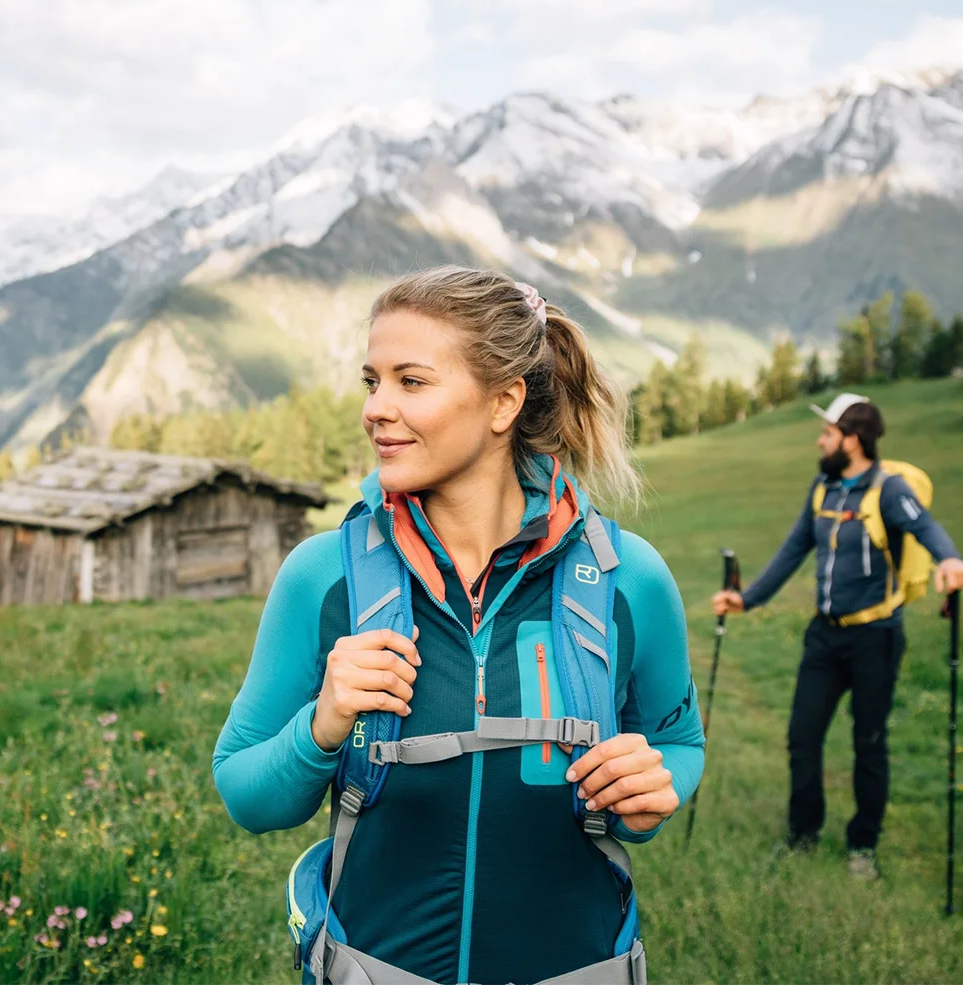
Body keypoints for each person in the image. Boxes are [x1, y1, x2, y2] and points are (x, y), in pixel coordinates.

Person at [212, 267, 703, 985]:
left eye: (410, 381)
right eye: (370, 381)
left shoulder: (629, 579)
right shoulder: (325, 576)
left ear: (503, 402)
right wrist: (322, 724)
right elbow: (244, 791)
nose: (376, 408)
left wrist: (651, 787)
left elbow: (679, 742)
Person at [711, 392, 963, 879]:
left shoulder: (889, 490)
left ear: (852, 440)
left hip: (876, 637)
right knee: (801, 738)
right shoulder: (824, 488)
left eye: (828, 433)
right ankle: (803, 835)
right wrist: (746, 600)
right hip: (824, 638)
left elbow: (927, 527)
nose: (821, 441)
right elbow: (793, 551)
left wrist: (951, 560)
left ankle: (863, 846)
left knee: (868, 741)